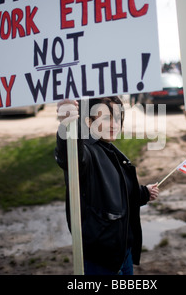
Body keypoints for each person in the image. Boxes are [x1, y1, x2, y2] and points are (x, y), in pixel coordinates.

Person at [54, 96, 159, 275]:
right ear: (88, 121)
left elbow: (115, 189)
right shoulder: (85, 150)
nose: (114, 125)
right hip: (101, 261)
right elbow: (69, 156)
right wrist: (67, 126)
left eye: (118, 118)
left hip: (122, 254)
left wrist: (142, 193)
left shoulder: (109, 149)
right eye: (105, 118)